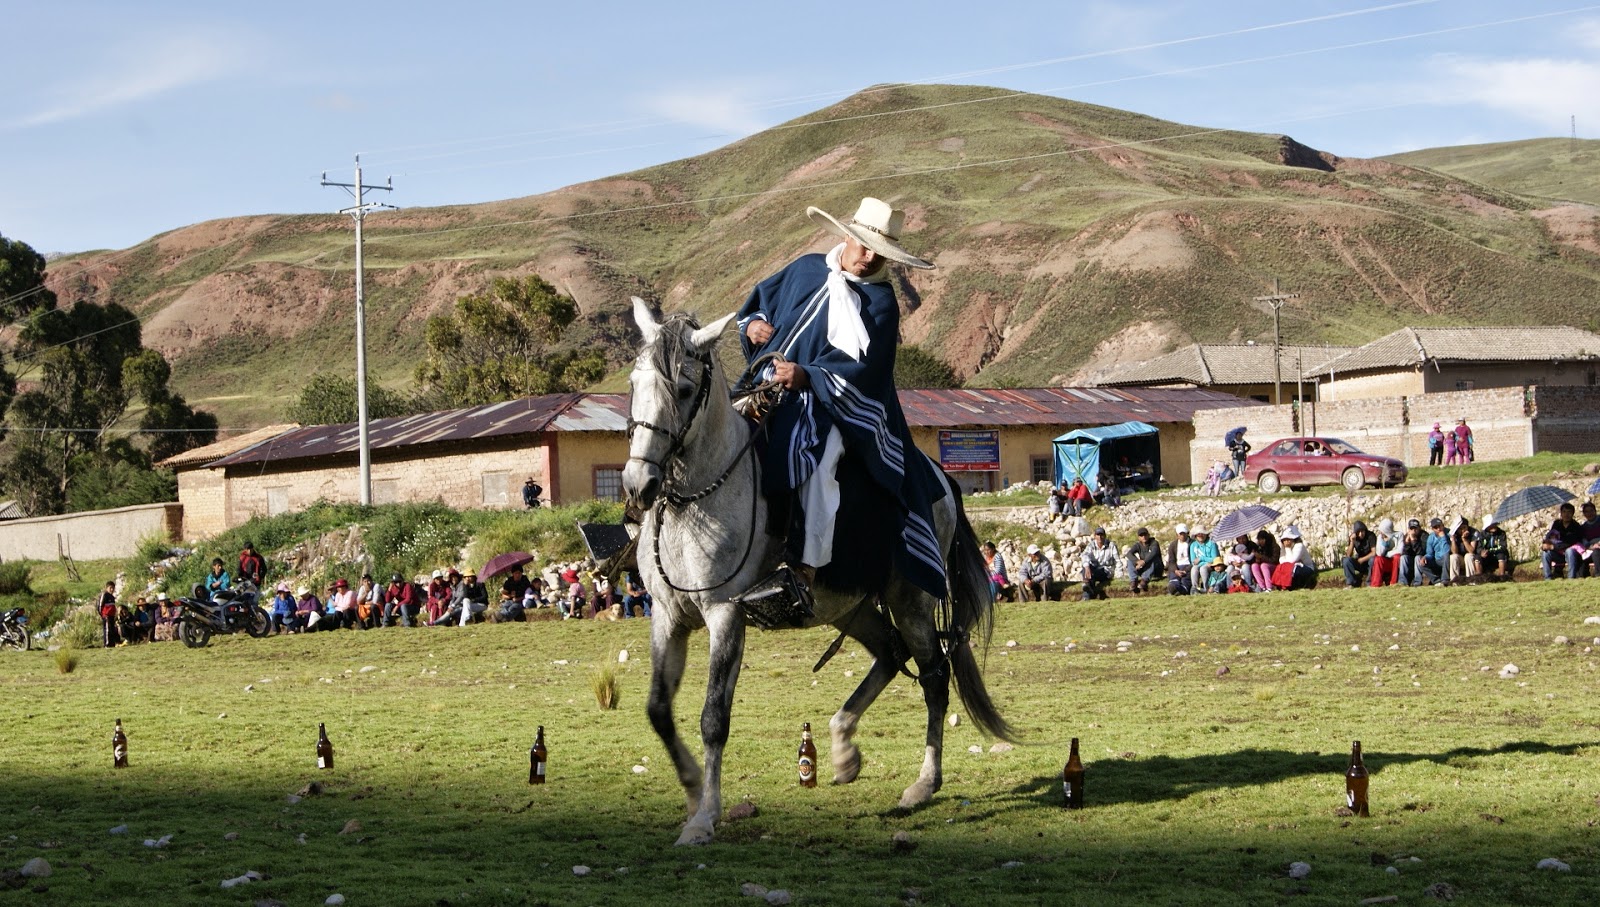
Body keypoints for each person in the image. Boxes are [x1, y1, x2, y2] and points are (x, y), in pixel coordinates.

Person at [735, 196, 941, 606]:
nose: (868, 257)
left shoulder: (881, 304)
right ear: (847, 236)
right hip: (763, 388)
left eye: (880, 253)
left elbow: (867, 373)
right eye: (864, 245)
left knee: (821, 464)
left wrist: (808, 376)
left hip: (831, 407)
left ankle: (804, 569)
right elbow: (757, 306)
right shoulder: (805, 270)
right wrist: (754, 327)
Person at [1540, 502, 1585, 580]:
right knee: (1545, 553)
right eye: (1564, 512)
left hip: (1571, 554)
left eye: (1569, 512)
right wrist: (1546, 543)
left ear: (1572, 514)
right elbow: (1552, 536)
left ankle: (1571, 578)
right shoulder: (1557, 524)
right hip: (1558, 554)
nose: (1566, 514)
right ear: (1561, 513)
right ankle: (1547, 578)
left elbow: (1569, 542)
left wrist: (1553, 547)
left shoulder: (1576, 526)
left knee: (1569, 551)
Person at [1272, 525, 1318, 591]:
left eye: (1288, 539)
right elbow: (1281, 560)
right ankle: (1283, 586)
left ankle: (1296, 585)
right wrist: (1285, 550)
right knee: (1281, 567)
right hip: (1290, 566)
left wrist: (1287, 548)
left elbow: (1292, 560)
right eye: (1284, 540)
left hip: (1305, 568)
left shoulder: (1299, 546)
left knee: (1292, 569)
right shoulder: (1283, 547)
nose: (1286, 542)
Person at [1080, 527, 1119, 602]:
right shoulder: (1091, 545)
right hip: (1094, 569)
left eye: (1102, 535)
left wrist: (1119, 574)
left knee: (1090, 575)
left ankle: (1086, 591)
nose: (1100, 537)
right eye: (1098, 535)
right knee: (1085, 566)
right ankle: (1087, 590)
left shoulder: (1111, 545)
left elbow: (1117, 560)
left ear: (1105, 536)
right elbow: (1084, 555)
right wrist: (1087, 567)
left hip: (1106, 571)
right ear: (1095, 536)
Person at [1473, 515, 1513, 581]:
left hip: (1498, 555)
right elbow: (1479, 548)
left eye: (1494, 524)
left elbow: (1503, 547)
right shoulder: (1482, 535)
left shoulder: (1501, 533)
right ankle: (1478, 578)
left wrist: (1491, 551)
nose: (1493, 526)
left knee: (1501, 556)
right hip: (1487, 558)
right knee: (1477, 558)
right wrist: (1481, 552)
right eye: (1491, 525)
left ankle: (1502, 577)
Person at [1124, 528, 1164, 593]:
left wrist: (1144, 562)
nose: (1144, 537)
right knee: (1130, 561)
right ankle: (1133, 581)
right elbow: (1129, 554)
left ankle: (1145, 580)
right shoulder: (1138, 545)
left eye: (1145, 535)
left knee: (1153, 558)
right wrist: (1137, 561)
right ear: (1139, 537)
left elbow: (1153, 553)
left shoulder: (1154, 543)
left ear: (1148, 535)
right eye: (1141, 536)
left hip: (1156, 569)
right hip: (1145, 568)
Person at [1341, 520, 1375, 588]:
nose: (1360, 534)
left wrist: (1363, 559)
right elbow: (1348, 555)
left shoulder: (1371, 536)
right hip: (1360, 562)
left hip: (1369, 562)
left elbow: (1374, 552)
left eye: (1362, 531)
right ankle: (1351, 583)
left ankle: (1370, 582)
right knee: (1346, 560)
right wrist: (1352, 542)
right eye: (1358, 532)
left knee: (1373, 560)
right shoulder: (1354, 538)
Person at [1418, 517, 1450, 586]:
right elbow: (1430, 553)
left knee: (1446, 555)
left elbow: (1446, 550)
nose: (1439, 529)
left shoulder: (1449, 533)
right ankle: (1436, 581)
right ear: (1433, 529)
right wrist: (1425, 557)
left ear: (1443, 525)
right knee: (1421, 563)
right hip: (1436, 560)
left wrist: (1443, 537)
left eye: (1440, 526)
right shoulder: (1431, 537)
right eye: (1436, 527)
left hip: (1447, 559)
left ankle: (1445, 580)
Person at [1188, 526, 1220, 592]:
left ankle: (1206, 588)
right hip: (1204, 564)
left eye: (1202, 534)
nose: (1200, 535)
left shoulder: (1212, 543)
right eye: (1198, 534)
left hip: (1212, 565)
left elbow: (1214, 559)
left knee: (1203, 569)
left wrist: (1201, 558)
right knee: (1194, 569)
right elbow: (1193, 562)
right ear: (1195, 536)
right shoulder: (1193, 545)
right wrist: (1205, 562)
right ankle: (1195, 588)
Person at [1369, 518, 1400, 587]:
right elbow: (1379, 553)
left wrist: (1389, 554)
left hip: (1395, 561)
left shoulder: (1398, 536)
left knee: (1397, 557)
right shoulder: (1380, 538)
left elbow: (1399, 550)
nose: (1381, 533)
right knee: (1378, 559)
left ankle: (1393, 583)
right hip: (1386, 562)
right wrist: (1385, 544)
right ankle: (1375, 584)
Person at [1446, 515, 1476, 585]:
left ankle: (1471, 580)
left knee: (1468, 556)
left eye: (1464, 527)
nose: (1462, 530)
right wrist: (1453, 540)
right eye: (1460, 528)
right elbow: (1454, 552)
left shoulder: (1473, 532)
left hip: (1472, 558)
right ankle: (1454, 581)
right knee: (1453, 557)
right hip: (1461, 559)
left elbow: (1471, 550)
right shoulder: (1455, 534)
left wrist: (1464, 540)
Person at [1398, 518, 1427, 587]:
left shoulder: (1424, 536)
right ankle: (1402, 582)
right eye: (1412, 529)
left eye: (1416, 528)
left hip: (1422, 559)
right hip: (1411, 559)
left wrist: (1414, 541)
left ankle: (1417, 582)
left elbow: (1421, 552)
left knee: (1417, 557)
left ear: (1419, 528)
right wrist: (1407, 542)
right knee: (1403, 558)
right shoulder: (1406, 536)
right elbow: (1404, 552)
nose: (1414, 531)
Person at [1166, 524, 1193, 595]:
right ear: (1177, 535)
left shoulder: (1192, 543)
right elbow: (1171, 561)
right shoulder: (1173, 545)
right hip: (1177, 566)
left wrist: (1186, 570)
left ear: (1187, 533)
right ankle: (1174, 588)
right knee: (1174, 581)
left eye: (1184, 533)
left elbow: (1194, 560)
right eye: (1180, 534)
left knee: (1185, 582)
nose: (1182, 536)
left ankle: (1181, 590)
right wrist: (1175, 570)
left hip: (1188, 566)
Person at [98, 581, 120, 648]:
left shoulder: (112, 597)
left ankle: (112, 644)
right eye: (110, 588)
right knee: (107, 630)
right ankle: (107, 644)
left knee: (112, 630)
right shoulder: (104, 595)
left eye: (113, 588)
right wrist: (103, 615)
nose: (112, 590)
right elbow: (100, 606)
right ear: (106, 588)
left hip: (111, 616)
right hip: (106, 615)